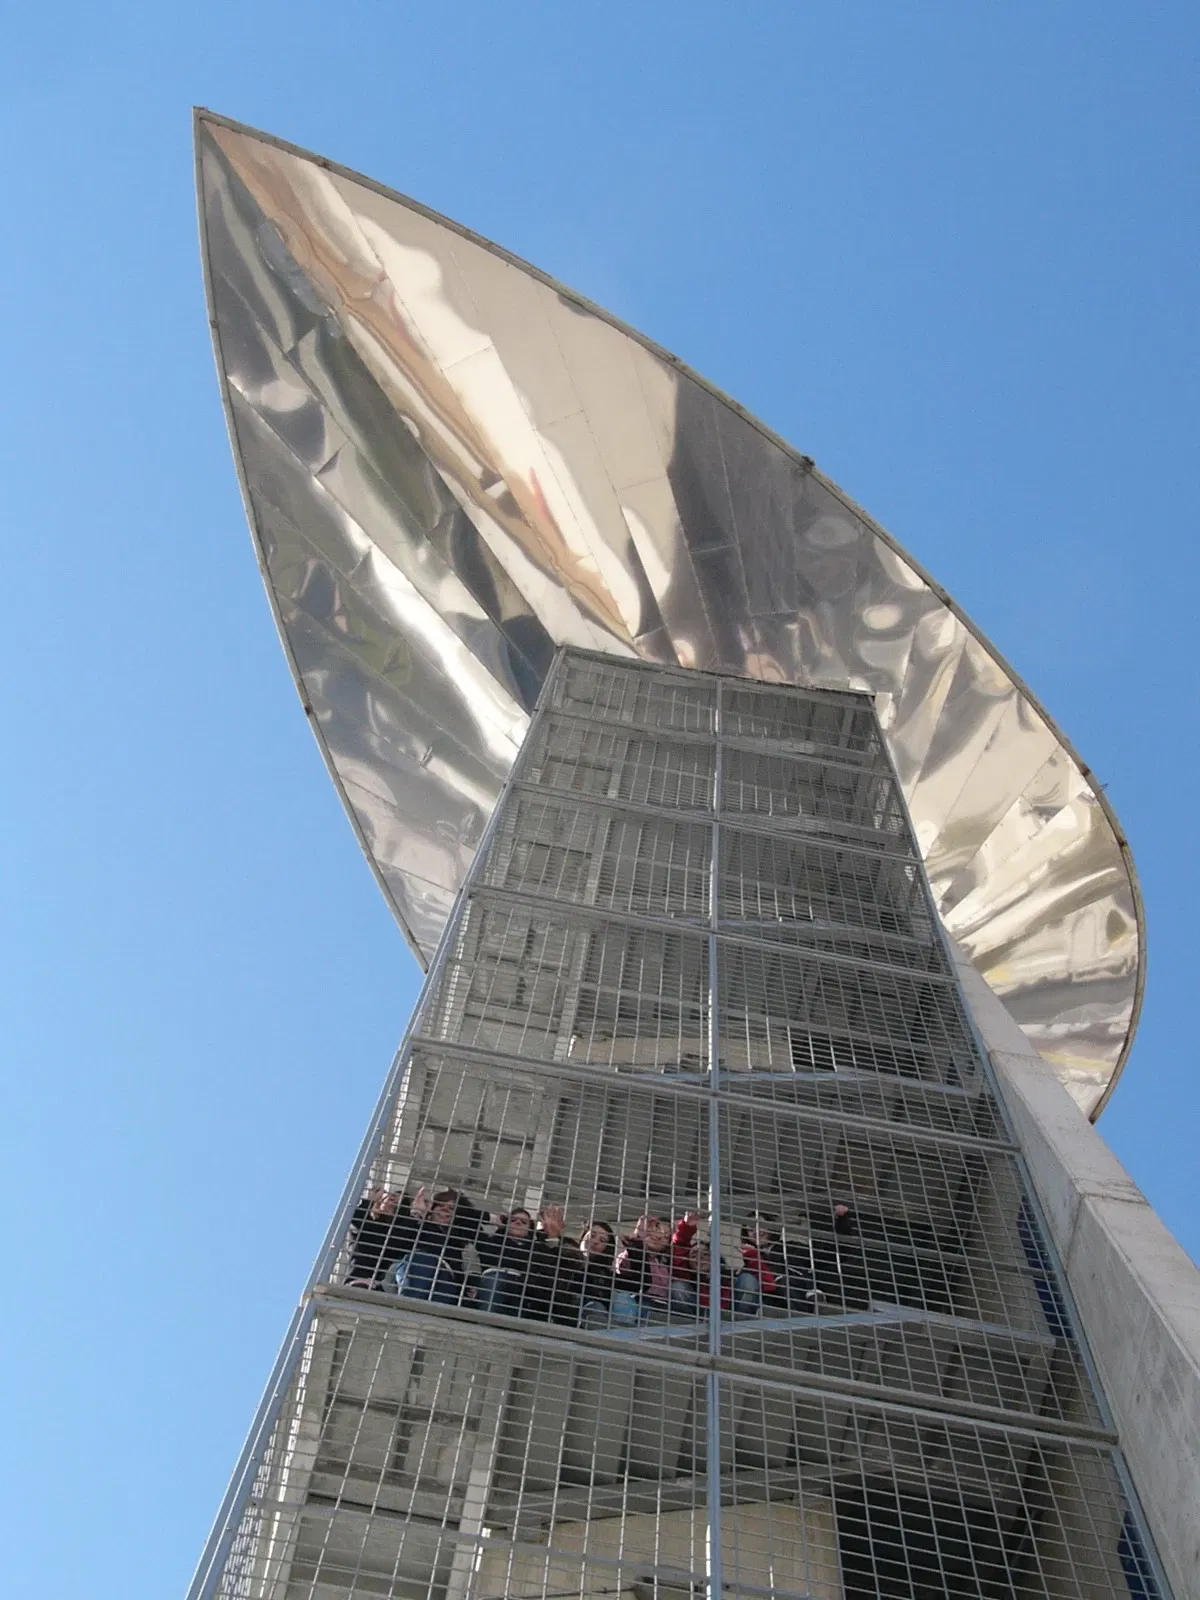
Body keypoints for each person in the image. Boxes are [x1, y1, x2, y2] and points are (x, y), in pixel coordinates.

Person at [388, 1185, 487, 1305]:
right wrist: (417, 1214)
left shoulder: (456, 1238)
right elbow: (394, 1244)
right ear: (432, 1208)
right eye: (440, 1205)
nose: (445, 1209)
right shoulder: (417, 1225)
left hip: (444, 1281)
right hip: (416, 1269)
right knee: (422, 1260)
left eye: (451, 1208)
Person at [735, 1212, 822, 1315]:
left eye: (761, 1225)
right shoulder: (748, 1263)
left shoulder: (792, 1248)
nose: (756, 1231)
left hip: (799, 1294)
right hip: (772, 1303)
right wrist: (753, 1257)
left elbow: (822, 1257)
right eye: (750, 1229)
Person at [613, 1215, 673, 1325]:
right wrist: (638, 1237)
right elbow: (624, 1267)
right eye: (655, 1231)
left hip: (665, 1306)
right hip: (642, 1301)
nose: (659, 1237)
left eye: (666, 1237)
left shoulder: (665, 1263)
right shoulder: (631, 1254)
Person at [670, 1213, 732, 1315]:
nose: (700, 1258)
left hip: (724, 1318)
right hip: (695, 1317)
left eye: (705, 1254)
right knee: (677, 1286)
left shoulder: (728, 1280)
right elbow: (679, 1248)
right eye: (694, 1255)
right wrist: (686, 1227)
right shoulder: (687, 1277)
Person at [345, 1189, 407, 1289]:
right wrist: (370, 1201)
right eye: (391, 1199)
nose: (392, 1204)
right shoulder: (365, 1224)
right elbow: (356, 1219)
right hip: (360, 1282)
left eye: (398, 1204)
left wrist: (417, 1214)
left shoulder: (401, 1233)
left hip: (388, 1285)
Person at [575, 1220, 617, 1327]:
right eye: (592, 1235)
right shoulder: (565, 1258)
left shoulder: (605, 1273)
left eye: (602, 1240)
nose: (595, 1241)